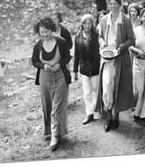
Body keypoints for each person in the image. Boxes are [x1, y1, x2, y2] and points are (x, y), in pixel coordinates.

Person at [96, 0, 135, 132]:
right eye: (111, 4)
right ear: (108, 5)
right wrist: (102, 44)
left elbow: (131, 39)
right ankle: (108, 117)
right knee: (106, 86)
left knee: (118, 87)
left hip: (120, 59)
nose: (113, 6)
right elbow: (100, 36)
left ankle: (116, 116)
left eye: (115, 3)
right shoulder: (104, 20)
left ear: (120, 5)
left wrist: (121, 47)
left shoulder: (125, 20)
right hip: (106, 58)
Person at [32, 17, 71, 151]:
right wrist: (43, 66)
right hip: (44, 79)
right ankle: (50, 132)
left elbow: (67, 56)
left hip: (60, 78)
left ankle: (55, 135)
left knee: (57, 108)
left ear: (52, 30)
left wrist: (60, 64)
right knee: (47, 107)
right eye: (42, 32)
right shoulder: (38, 45)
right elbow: (34, 61)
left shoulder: (61, 42)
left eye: (47, 32)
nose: (44, 35)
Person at [73, 14, 101, 124]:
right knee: (87, 92)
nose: (87, 25)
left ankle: (96, 109)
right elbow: (76, 54)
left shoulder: (97, 35)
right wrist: (75, 70)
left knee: (95, 89)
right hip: (84, 68)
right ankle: (89, 113)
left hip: (95, 67)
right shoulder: (78, 36)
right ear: (82, 24)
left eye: (89, 23)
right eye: (85, 23)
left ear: (92, 24)